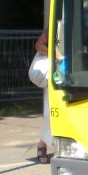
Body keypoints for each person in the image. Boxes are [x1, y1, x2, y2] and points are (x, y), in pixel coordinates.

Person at [27, 30, 53, 163]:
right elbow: (38, 45)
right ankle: (42, 144)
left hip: (69, 71)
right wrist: (55, 55)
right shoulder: (57, 21)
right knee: (51, 110)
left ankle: (44, 143)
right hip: (55, 72)